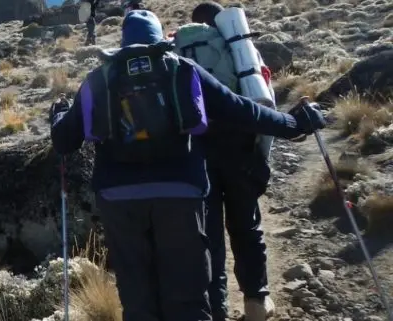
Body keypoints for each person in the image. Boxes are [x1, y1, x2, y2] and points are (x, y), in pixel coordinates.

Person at [49, 9, 326, 321]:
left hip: (118, 200)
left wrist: (58, 114)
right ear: (159, 39)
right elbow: (241, 110)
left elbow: (64, 141)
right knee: (189, 293)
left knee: (137, 293)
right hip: (180, 195)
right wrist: (294, 123)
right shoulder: (182, 69)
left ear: (124, 42)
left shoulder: (98, 80)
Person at [171, 2, 277, 320]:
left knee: (210, 235)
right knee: (246, 225)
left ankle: (215, 309)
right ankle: (256, 302)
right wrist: (261, 157)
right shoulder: (240, 50)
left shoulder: (179, 54)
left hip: (197, 152)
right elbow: (264, 101)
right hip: (240, 147)